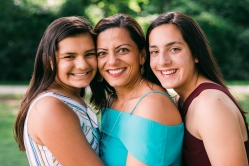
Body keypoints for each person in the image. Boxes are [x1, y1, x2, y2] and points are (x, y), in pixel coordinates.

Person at [147, 11, 249, 166]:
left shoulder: (211, 104)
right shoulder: (180, 100)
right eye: (154, 51)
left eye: (174, 49)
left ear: (196, 53)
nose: (162, 61)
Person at [92, 13, 184, 166]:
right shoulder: (111, 100)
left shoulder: (153, 104)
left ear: (142, 55)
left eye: (123, 50)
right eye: (102, 53)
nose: (112, 61)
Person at [14, 16, 104, 166]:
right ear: (49, 61)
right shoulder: (50, 107)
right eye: (69, 56)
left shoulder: (70, 100)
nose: (82, 65)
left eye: (89, 54)